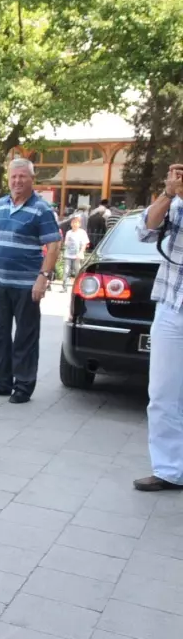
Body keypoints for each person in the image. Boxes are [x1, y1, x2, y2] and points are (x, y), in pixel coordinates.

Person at [0, 158, 62, 404]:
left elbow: (53, 245)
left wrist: (43, 278)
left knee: (25, 336)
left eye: (22, 176)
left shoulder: (41, 209)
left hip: (26, 285)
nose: (17, 181)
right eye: (13, 176)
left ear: (32, 179)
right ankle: (1, 381)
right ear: (8, 179)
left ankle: (23, 385)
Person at [134, 164, 183, 492]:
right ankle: (170, 470)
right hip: (171, 305)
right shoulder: (175, 201)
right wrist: (168, 193)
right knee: (163, 394)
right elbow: (144, 230)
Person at [62, 215, 90, 291]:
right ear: (71, 223)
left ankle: (79, 286)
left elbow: (85, 243)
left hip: (77, 255)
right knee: (66, 270)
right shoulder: (68, 233)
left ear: (79, 224)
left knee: (77, 270)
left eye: (76, 223)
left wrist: (81, 252)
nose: (75, 224)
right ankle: (64, 286)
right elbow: (66, 243)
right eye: (73, 222)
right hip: (68, 254)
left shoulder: (82, 232)